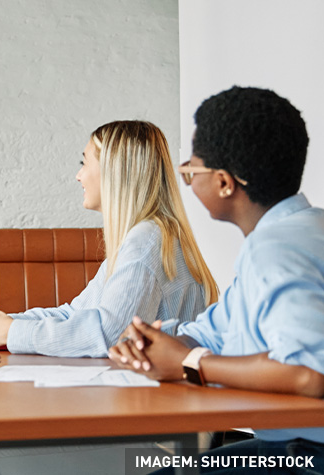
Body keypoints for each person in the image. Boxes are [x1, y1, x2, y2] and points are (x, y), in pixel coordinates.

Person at [0, 120, 219, 475]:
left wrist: (11, 334)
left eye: (84, 163)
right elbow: (76, 312)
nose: (78, 176)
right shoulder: (146, 237)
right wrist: (5, 322)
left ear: (113, 172)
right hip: (144, 426)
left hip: (158, 449)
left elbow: (109, 333)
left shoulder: (147, 241)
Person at [110, 87, 324, 474]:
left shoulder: (274, 248)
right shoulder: (306, 229)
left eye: (191, 170)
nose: (188, 182)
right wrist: (163, 342)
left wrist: (188, 362)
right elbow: (221, 330)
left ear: (225, 183)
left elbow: (310, 373)